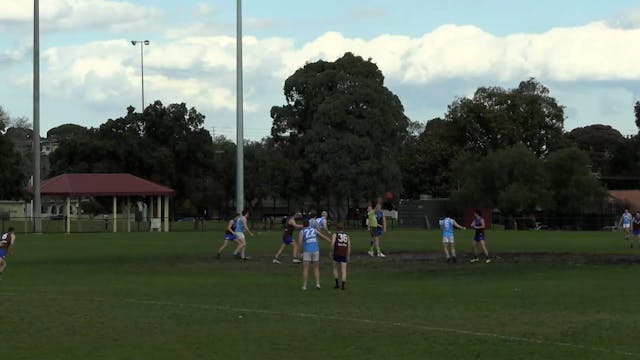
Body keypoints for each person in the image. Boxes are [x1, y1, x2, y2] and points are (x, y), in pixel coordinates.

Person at [298, 218, 331, 290]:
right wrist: (330, 241)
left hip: (307, 251)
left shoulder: (302, 232)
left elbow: (300, 243)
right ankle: (318, 284)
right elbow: (323, 236)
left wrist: (299, 252)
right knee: (316, 268)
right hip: (316, 250)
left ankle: (304, 286)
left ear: (303, 225)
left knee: (306, 268)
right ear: (309, 224)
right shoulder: (314, 230)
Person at [330, 224, 351, 290]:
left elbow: (333, 244)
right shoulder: (347, 236)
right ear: (343, 229)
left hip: (337, 253)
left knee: (335, 268)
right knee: (344, 270)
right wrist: (348, 255)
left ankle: (336, 284)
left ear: (337, 229)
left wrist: (331, 252)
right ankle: (343, 285)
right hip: (344, 253)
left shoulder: (335, 235)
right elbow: (349, 246)